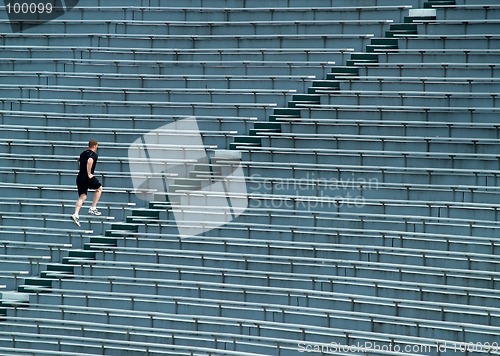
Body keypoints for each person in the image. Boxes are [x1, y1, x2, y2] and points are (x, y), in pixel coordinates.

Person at [71, 140, 103, 227]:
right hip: (87, 177)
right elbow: (89, 161)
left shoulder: (83, 153)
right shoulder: (93, 155)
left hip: (80, 177)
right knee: (99, 188)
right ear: (95, 145)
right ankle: (93, 208)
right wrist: (89, 173)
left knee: (83, 196)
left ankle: (76, 214)